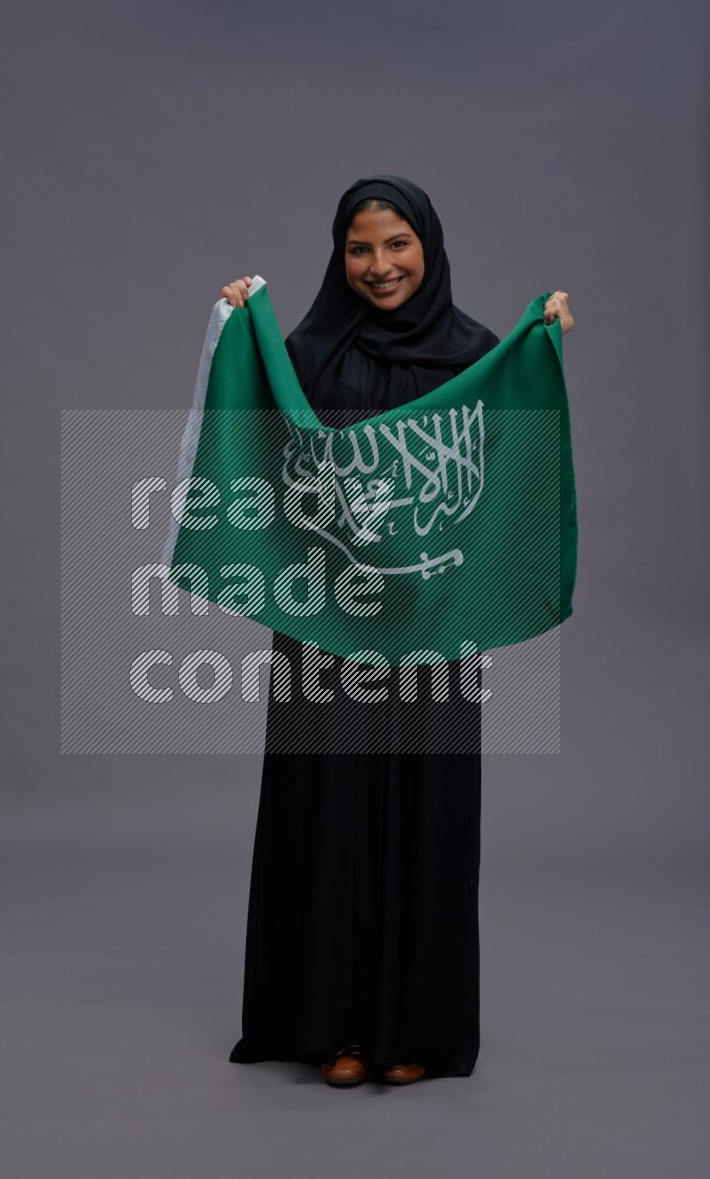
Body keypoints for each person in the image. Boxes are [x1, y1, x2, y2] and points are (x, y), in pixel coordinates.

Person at [219, 175, 574, 1088]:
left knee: (428, 814)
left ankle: (412, 1028)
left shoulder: (477, 357)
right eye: (360, 247)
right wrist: (239, 329)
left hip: (434, 626)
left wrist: (542, 344)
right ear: (339, 255)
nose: (379, 266)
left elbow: (508, 478)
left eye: (398, 244)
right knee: (326, 814)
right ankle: (334, 1026)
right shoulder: (302, 355)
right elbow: (256, 454)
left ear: (430, 247)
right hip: (327, 623)